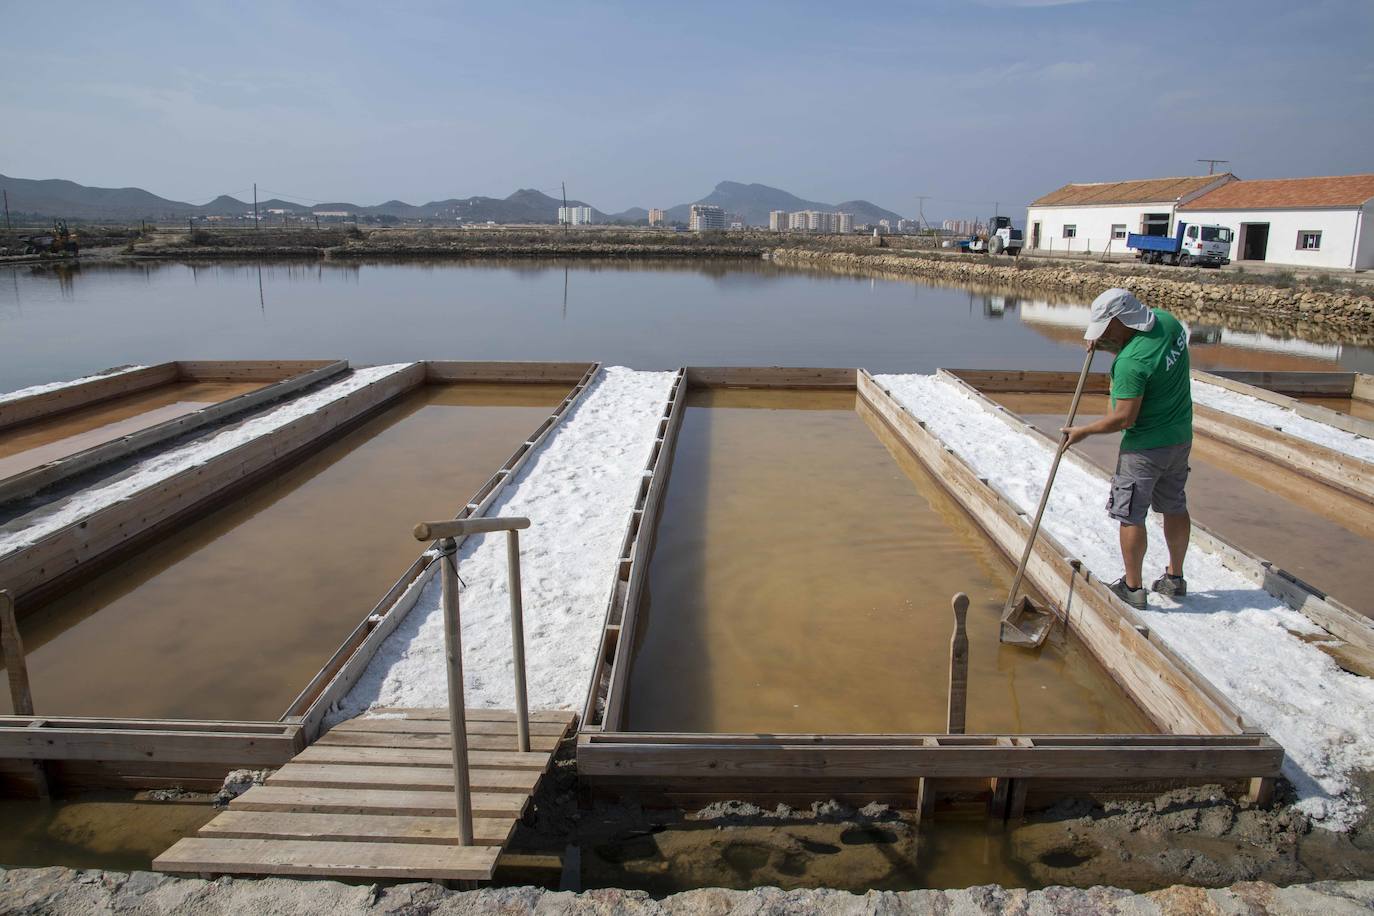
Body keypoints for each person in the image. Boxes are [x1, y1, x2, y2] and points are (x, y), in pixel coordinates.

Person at [1060, 288, 1192, 610]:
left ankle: (1132, 588)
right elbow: (1148, 352)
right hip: (1179, 438)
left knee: (1131, 514)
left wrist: (1082, 432)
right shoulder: (1170, 324)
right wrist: (1106, 343)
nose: (1103, 334)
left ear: (1121, 320)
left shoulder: (1130, 364)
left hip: (1144, 450)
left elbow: (1123, 418)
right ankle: (1175, 578)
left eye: (1107, 327)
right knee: (1174, 505)